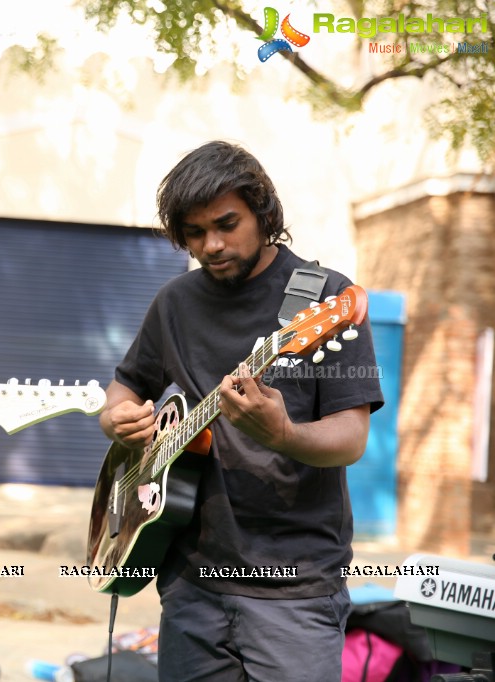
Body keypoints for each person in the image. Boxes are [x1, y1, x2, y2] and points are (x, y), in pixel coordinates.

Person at [98, 140, 384, 681]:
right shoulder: (174, 303)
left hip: (294, 591)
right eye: (195, 232)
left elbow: (351, 437)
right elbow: (124, 389)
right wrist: (116, 420)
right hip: (191, 585)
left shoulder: (325, 298)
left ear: (262, 210)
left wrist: (283, 435)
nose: (212, 244)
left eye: (227, 224)